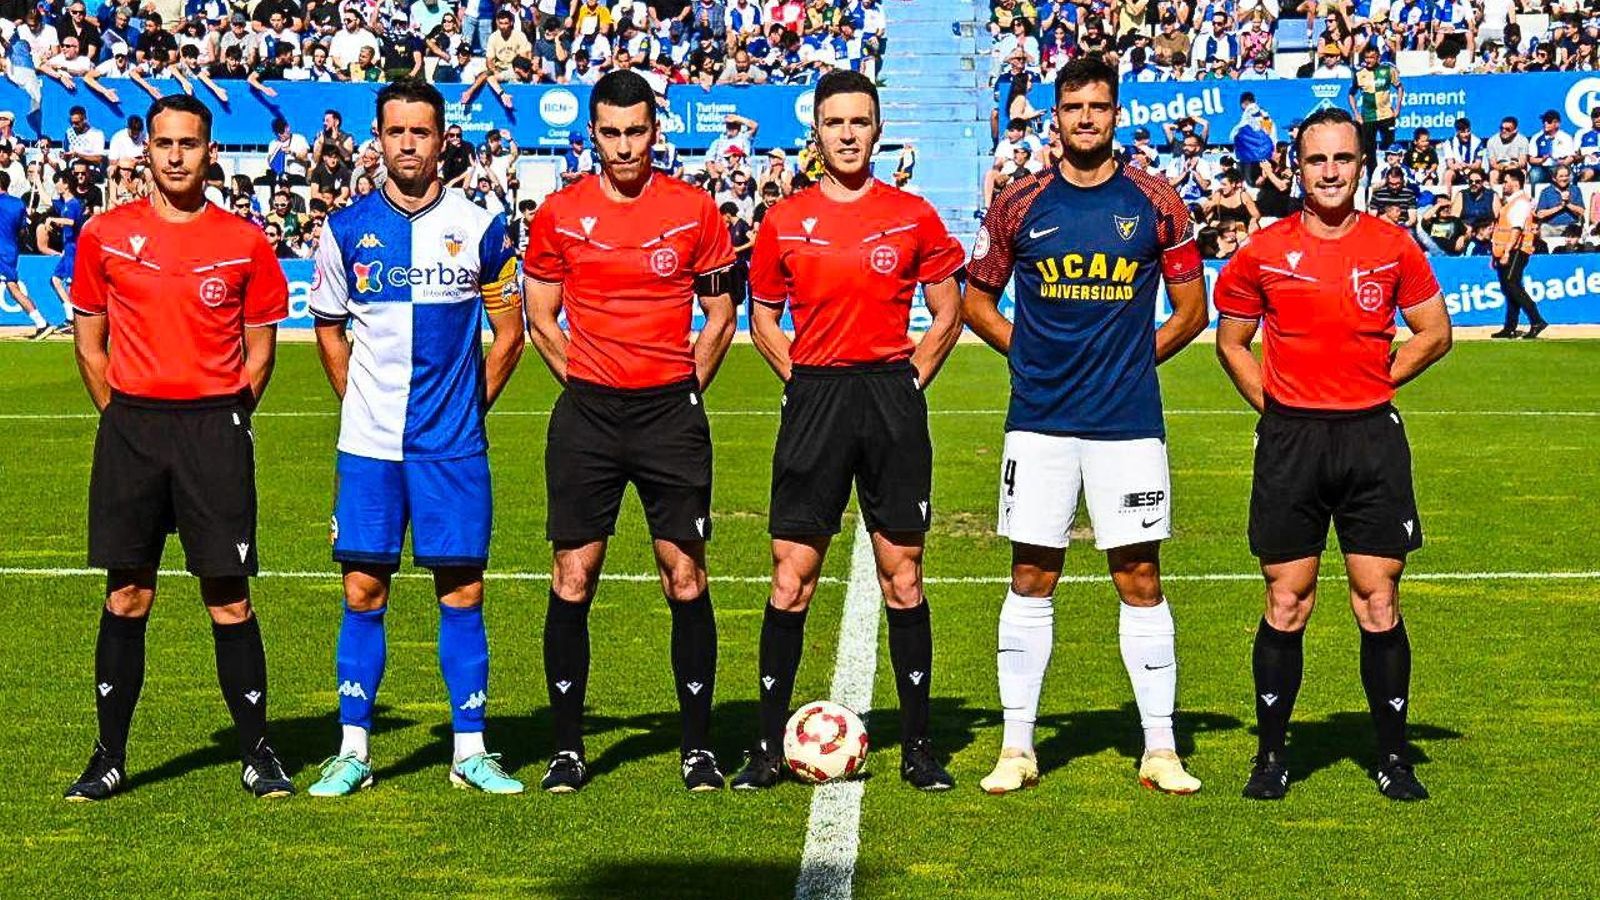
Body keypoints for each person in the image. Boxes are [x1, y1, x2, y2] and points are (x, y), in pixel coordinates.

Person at [961, 56, 1210, 797]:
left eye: (1099, 107)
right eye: (1074, 107)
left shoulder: (1158, 201)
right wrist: (1029, 354)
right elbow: (977, 300)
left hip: (1127, 423)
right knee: (1032, 575)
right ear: (1057, 115)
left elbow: (1192, 310)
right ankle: (1016, 747)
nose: (1087, 119)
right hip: (1039, 421)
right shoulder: (1019, 203)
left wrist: (1136, 359)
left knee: (1138, 575)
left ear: (1115, 113)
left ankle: (1160, 749)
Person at [1212, 106, 1453, 803]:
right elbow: (1232, 342)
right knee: (1287, 600)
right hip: (1294, 443)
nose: (1329, 172)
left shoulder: (1393, 245)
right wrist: (1279, 406)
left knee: (1377, 600)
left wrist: (1378, 381)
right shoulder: (1262, 250)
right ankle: (1271, 755)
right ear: (1296, 164)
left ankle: (1392, 756)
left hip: (1371, 438)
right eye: (1317, 159)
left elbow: (1433, 333)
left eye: (1343, 159)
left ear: (1361, 166)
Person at [735, 70, 966, 791]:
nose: (846, 134)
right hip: (818, 398)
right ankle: (770, 749)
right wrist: (799, 378)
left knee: (903, 575)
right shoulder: (783, 219)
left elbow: (949, 305)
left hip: (890, 397)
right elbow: (764, 315)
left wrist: (913, 376)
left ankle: (921, 748)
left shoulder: (913, 214)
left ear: (876, 128)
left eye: (859, 122)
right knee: (790, 577)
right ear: (818, 132)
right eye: (834, 122)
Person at [63, 95, 293, 801]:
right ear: (146, 149)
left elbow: (260, 353)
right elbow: (89, 341)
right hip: (132, 429)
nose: (174, 155)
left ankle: (258, 753)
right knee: (128, 594)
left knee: (228, 596)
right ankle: (109, 755)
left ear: (209, 150)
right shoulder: (105, 234)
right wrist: (125, 414)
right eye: (163, 143)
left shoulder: (245, 241)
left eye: (188, 143)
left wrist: (221, 416)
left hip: (212, 432)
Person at [304, 79, 527, 797]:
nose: (407, 144)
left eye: (420, 132)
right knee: (363, 589)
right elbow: (329, 329)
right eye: (395, 131)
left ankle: (470, 750)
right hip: (370, 448)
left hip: (451, 448)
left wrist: (467, 407)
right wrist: (360, 403)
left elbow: (510, 333)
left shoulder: (481, 225)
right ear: (380, 138)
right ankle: (354, 751)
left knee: (462, 591)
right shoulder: (344, 230)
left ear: (442, 140)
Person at [522, 70, 737, 793]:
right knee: (573, 577)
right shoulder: (558, 213)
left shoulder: (695, 210)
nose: (625, 146)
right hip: (587, 415)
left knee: (684, 575)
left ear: (656, 130)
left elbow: (720, 317)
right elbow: (541, 318)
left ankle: (698, 748)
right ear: (593, 134)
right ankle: (567, 749)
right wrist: (585, 380)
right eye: (611, 133)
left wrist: (681, 390)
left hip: (669, 416)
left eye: (637, 131)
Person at [1489, 168, 1548, 340]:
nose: (1504, 185)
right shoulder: (1512, 202)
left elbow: (1516, 230)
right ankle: (1510, 326)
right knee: (1509, 287)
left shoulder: (1520, 203)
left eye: (1506, 181)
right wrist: (1496, 254)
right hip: (1507, 250)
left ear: (1515, 182)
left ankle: (1536, 320)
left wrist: (1507, 251)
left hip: (1516, 250)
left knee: (1512, 284)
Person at [0, 172, 56, 338]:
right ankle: (40, 322)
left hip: (1, 251)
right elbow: (23, 231)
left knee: (13, 289)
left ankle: (41, 322)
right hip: (11, 249)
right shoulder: (18, 204)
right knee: (13, 288)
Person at [1348, 47, 1403, 180]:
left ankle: (1391, 175)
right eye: (1366, 58)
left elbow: (1400, 87)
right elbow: (1351, 94)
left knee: (1389, 146)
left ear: (1378, 57)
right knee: (1369, 149)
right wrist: (1356, 114)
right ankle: (1372, 178)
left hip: (1386, 116)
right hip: (1368, 117)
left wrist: (1397, 108)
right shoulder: (1359, 74)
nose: (1368, 61)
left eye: (1371, 57)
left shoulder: (1388, 70)